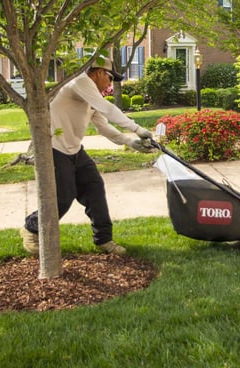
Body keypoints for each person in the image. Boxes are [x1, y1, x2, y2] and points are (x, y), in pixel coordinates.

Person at [20, 57, 154, 256]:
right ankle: (31, 228)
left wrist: (129, 142)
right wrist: (136, 128)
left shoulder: (91, 98)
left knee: (95, 189)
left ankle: (104, 240)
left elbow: (103, 127)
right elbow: (108, 109)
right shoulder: (80, 81)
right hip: (54, 149)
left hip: (75, 150)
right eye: (109, 78)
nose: (110, 84)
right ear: (99, 72)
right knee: (63, 197)